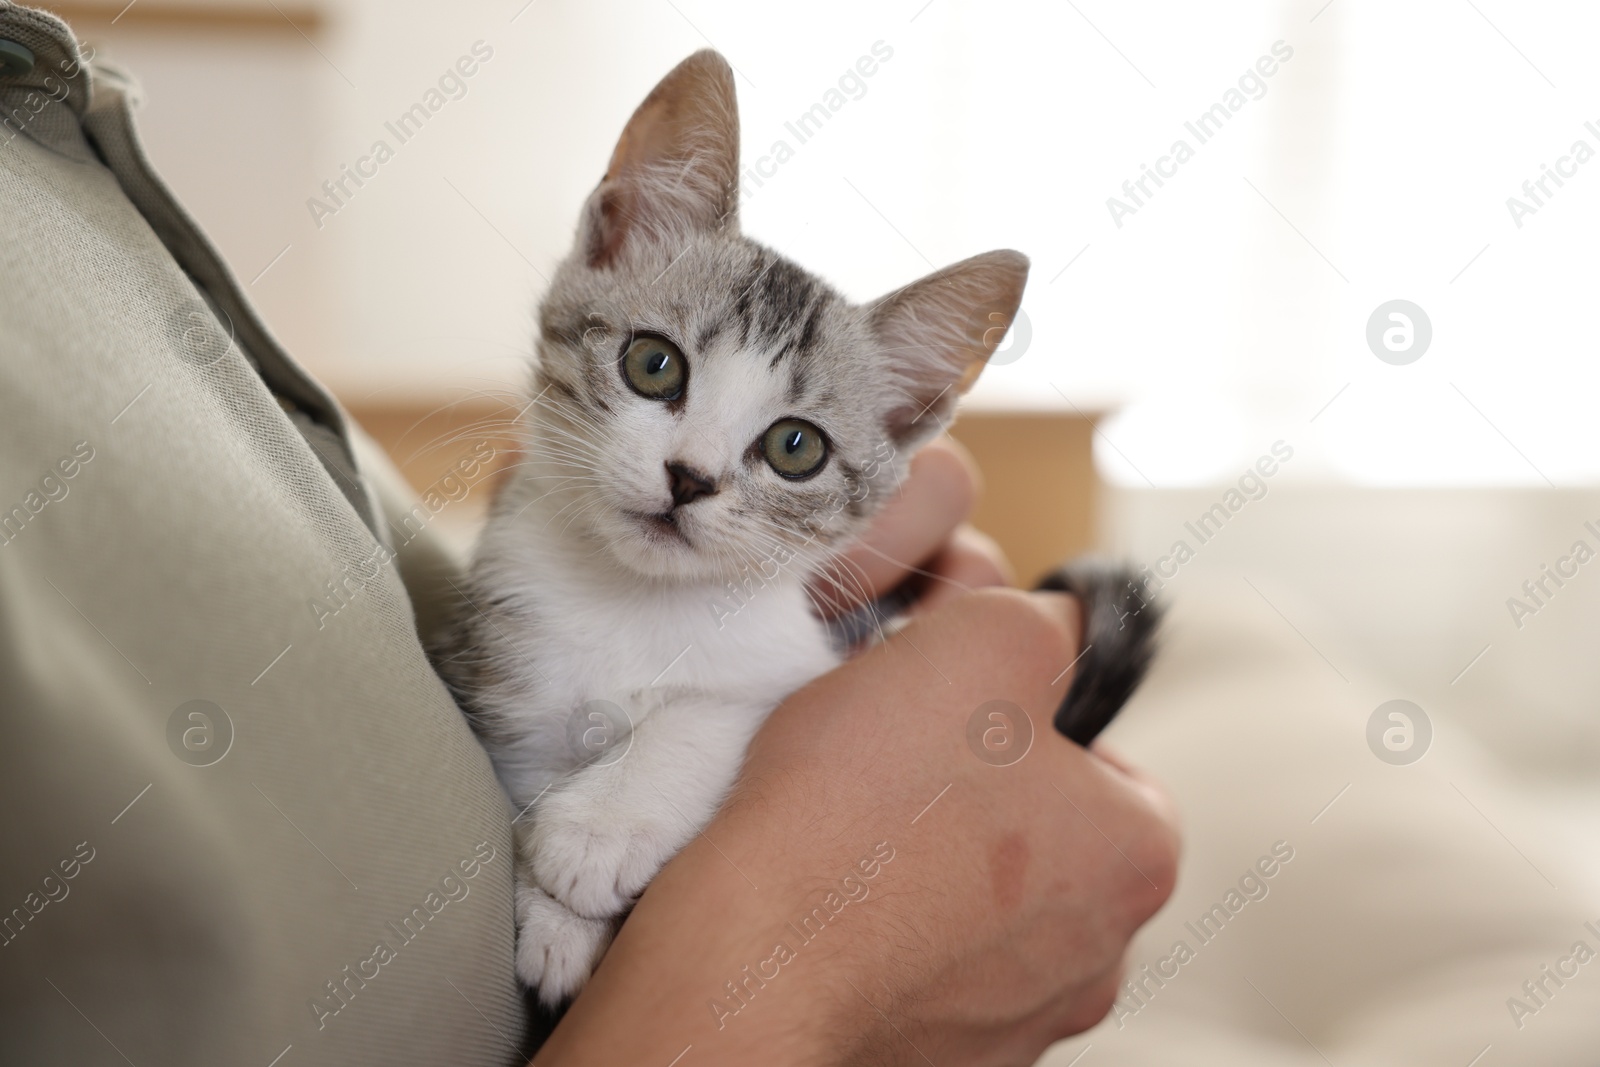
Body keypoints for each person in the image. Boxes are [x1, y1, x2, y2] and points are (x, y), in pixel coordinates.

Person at [0, 5, 1177, 1064]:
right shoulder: (524, 567)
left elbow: (768, 726)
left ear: (904, 420)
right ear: (610, 239)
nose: (694, 470)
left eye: (793, 448)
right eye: (654, 366)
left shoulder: (761, 642)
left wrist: (629, 813)